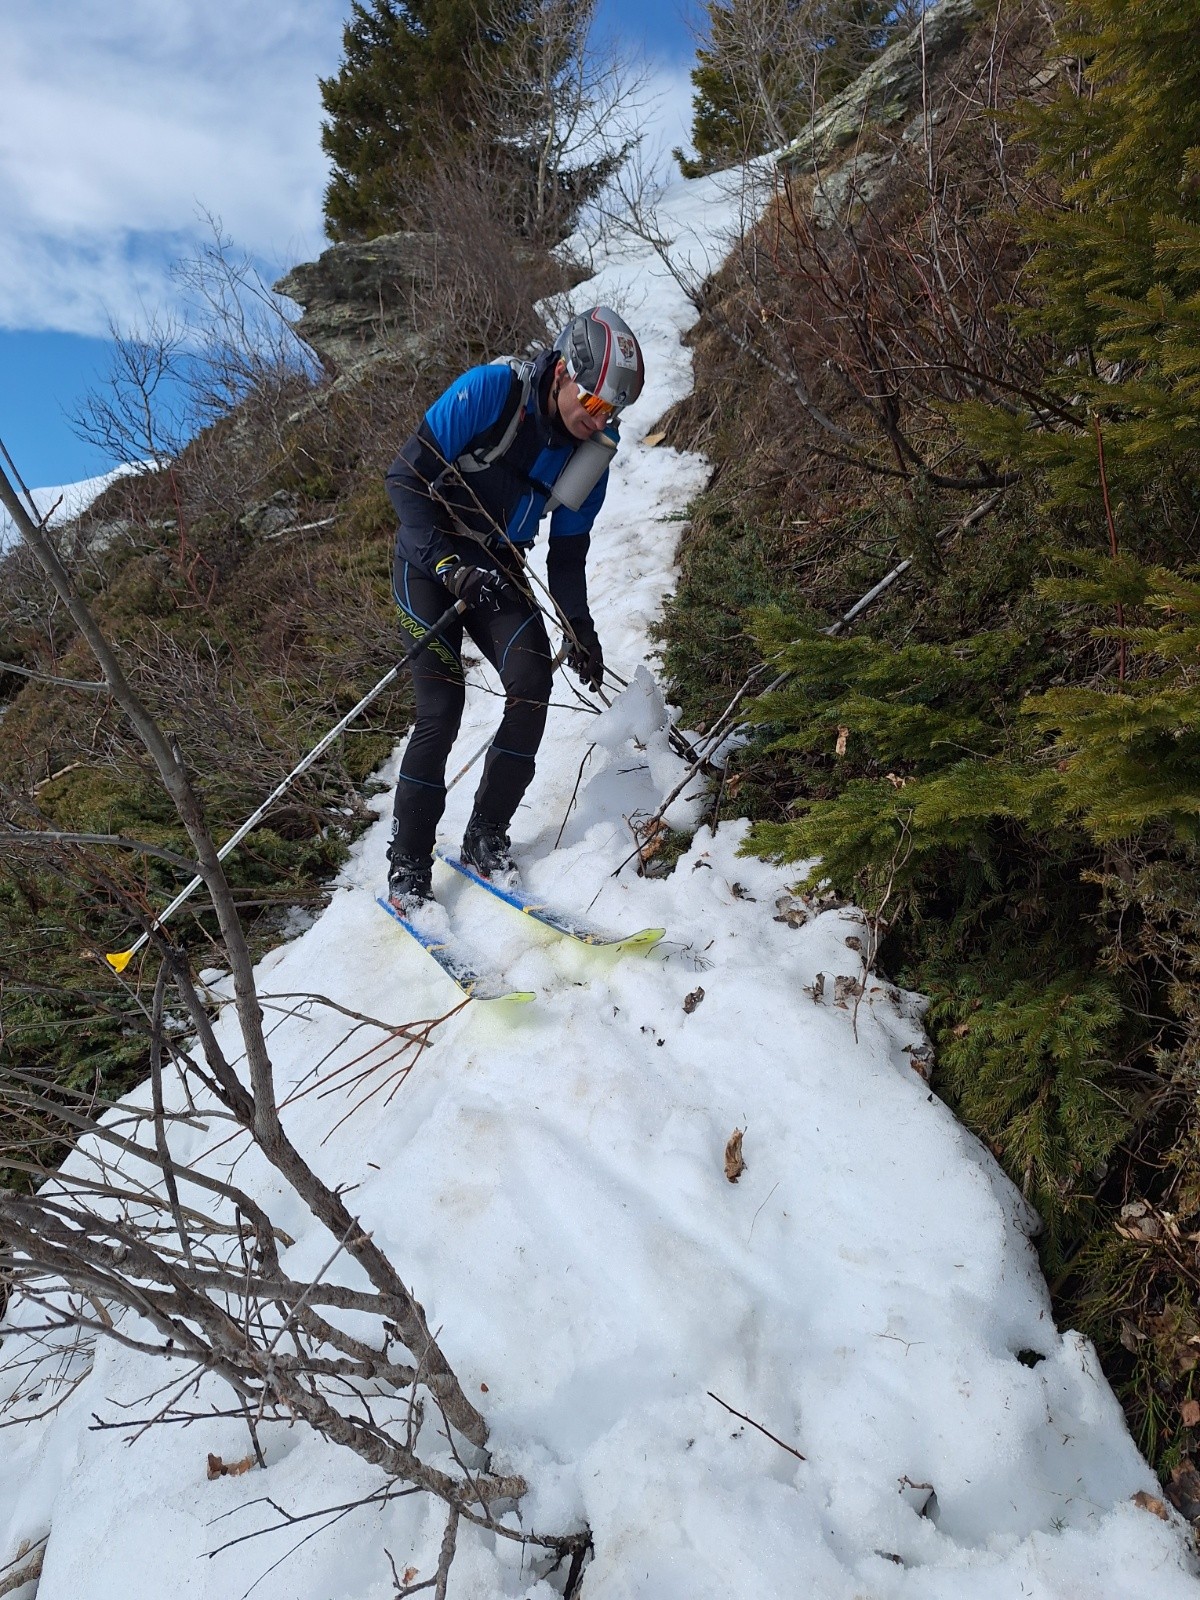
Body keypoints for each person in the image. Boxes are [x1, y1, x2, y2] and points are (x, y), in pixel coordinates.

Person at [384, 305, 646, 909]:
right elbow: (403, 479)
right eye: (593, 402)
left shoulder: (590, 460)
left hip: (498, 564)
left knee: (531, 682)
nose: (597, 420)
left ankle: (485, 835)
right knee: (442, 707)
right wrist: (448, 569)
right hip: (429, 560)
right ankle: (407, 864)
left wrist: (579, 627)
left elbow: (568, 555)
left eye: (611, 412)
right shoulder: (490, 393)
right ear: (560, 371)